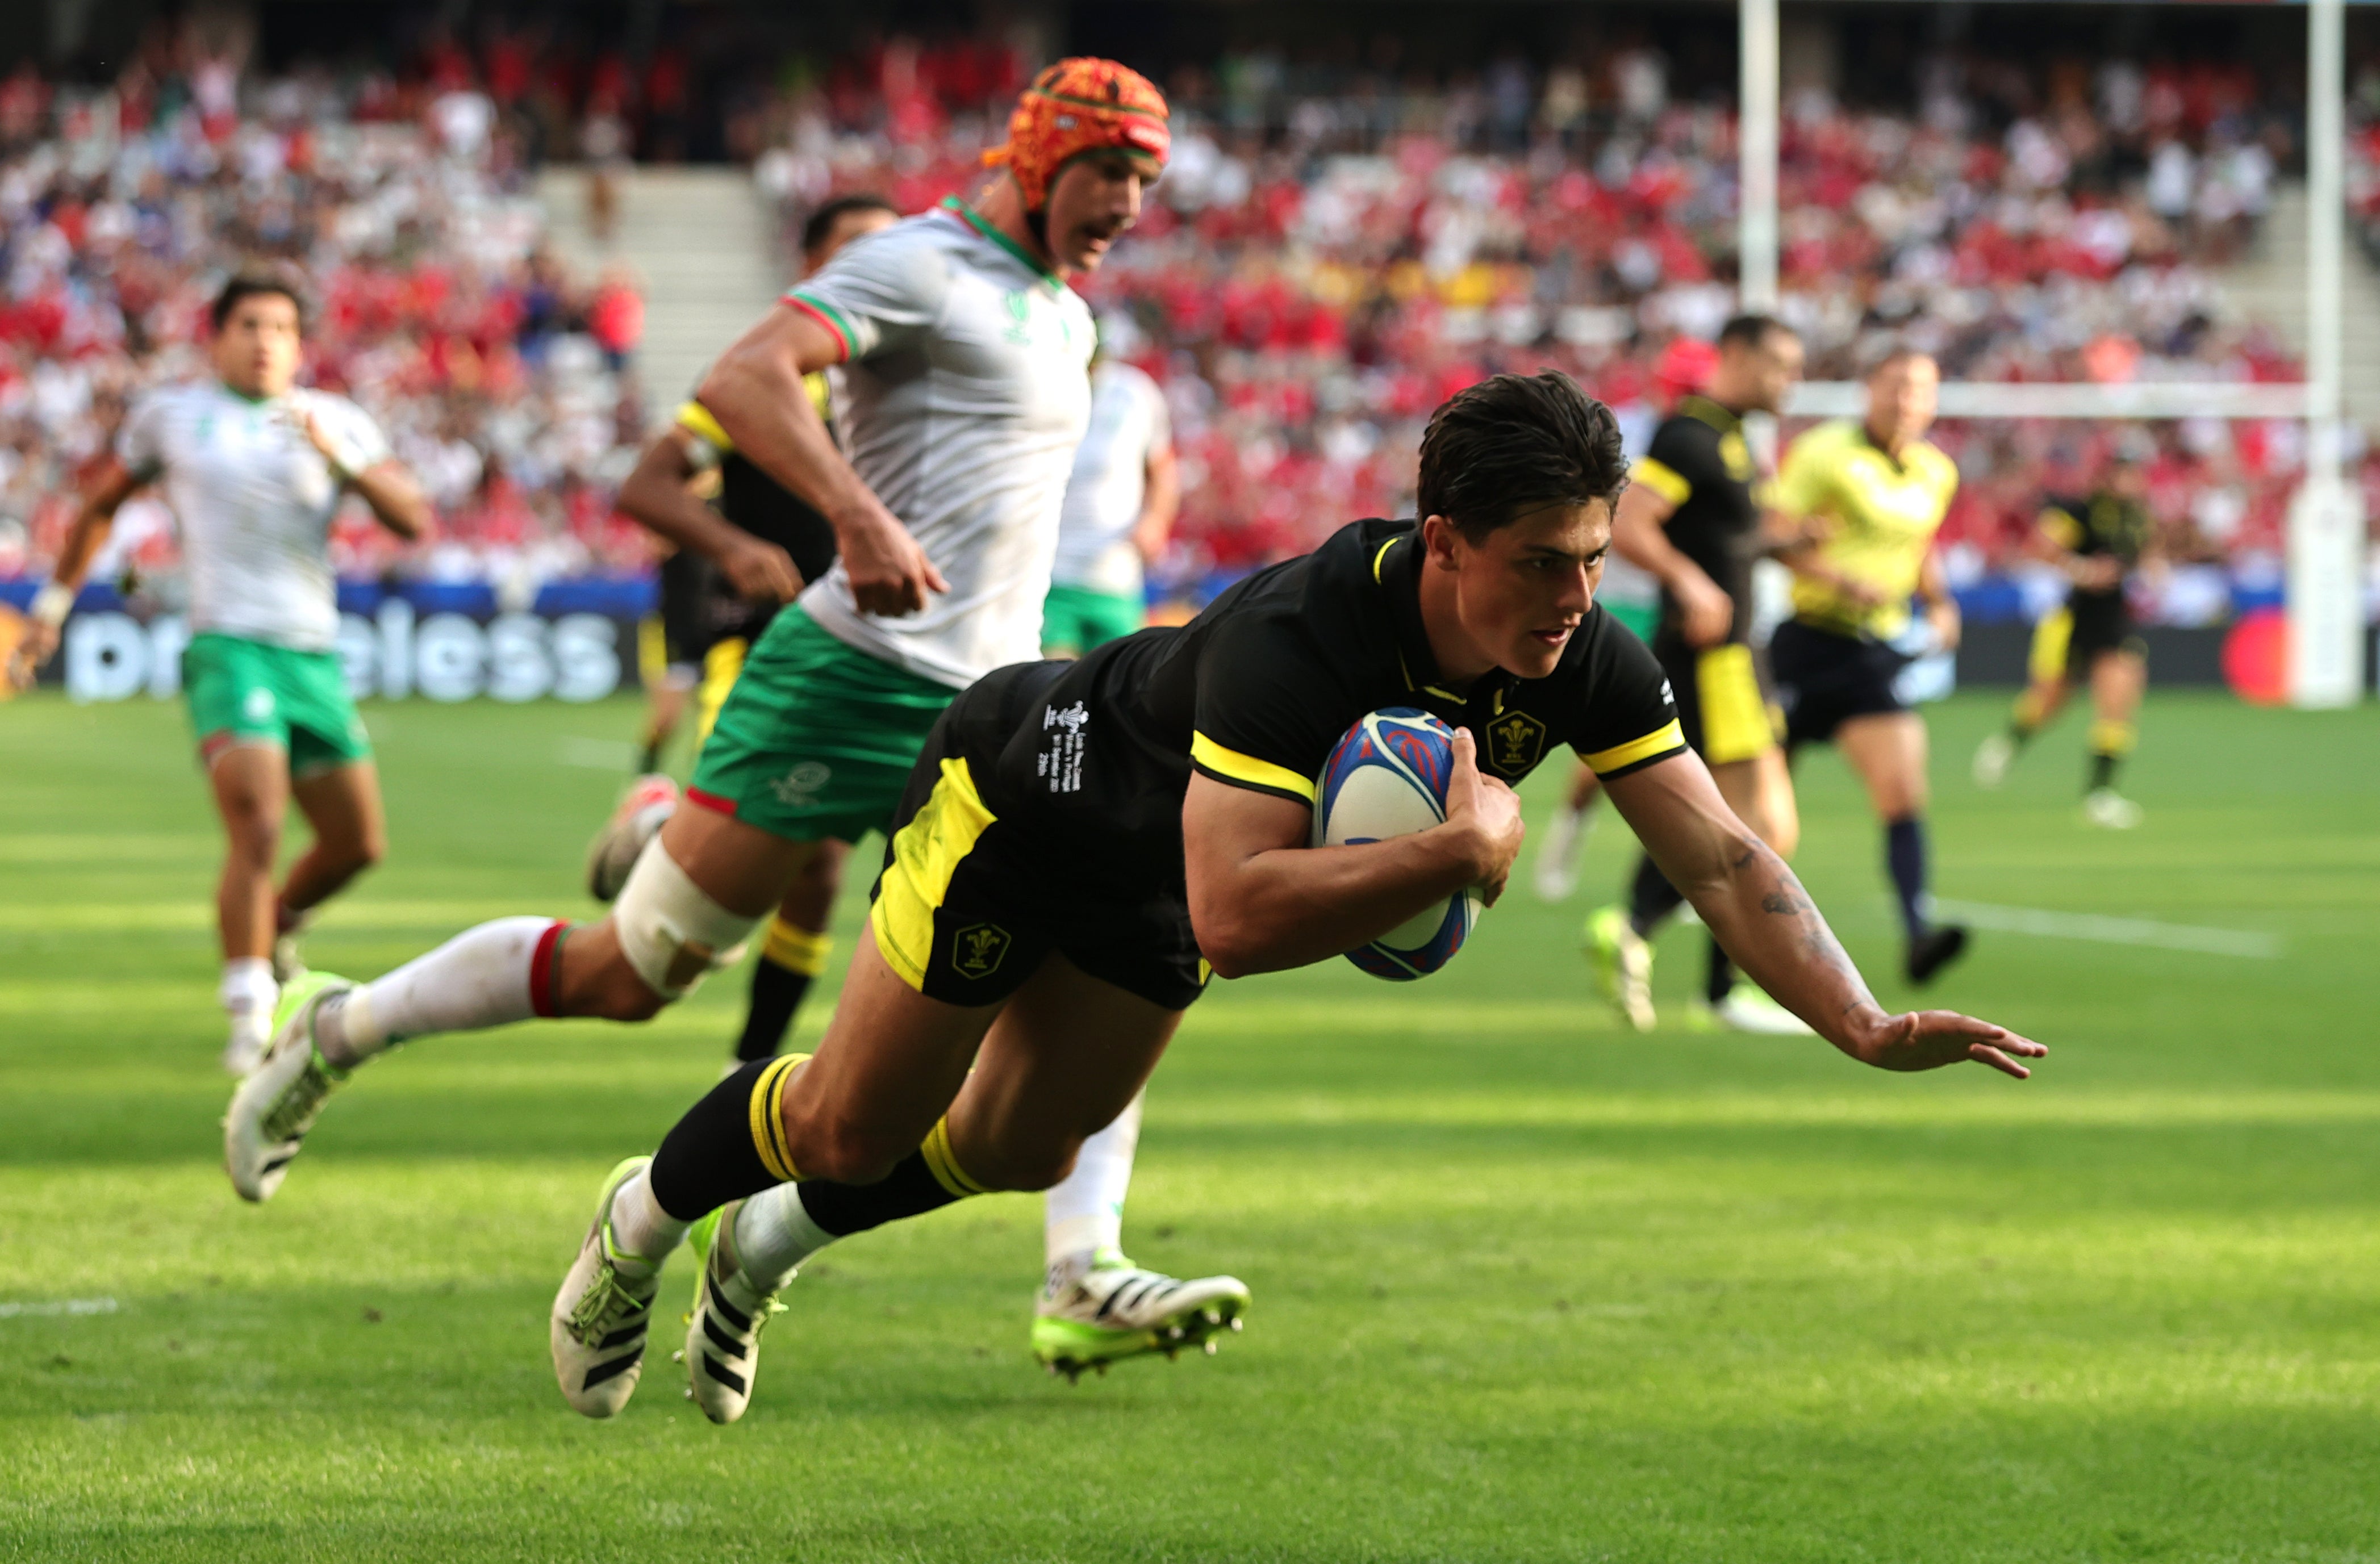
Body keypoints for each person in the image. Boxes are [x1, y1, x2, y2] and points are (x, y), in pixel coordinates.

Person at [543, 371, 2044, 1426]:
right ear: (1443, 541)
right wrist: (1454, 856)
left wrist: (1854, 1020)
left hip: (1177, 878)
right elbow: (1240, 920)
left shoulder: (1582, 647)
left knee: (1016, 1147)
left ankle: (759, 1255)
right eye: (1539, 563)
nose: (1574, 597)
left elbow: (1721, 855)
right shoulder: (1301, 631)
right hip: (1027, 799)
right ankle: (648, 1218)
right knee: (846, 1127)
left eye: (1590, 559)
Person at [222, 59, 1249, 1385]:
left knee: (1110, 943)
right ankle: (338, 1027)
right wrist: (856, 518)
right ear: (1039, 158)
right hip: (842, 673)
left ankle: (1077, 1264)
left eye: (1145, 182)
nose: (1127, 204)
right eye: (1110, 171)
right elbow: (747, 375)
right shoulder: (917, 262)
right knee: (630, 973)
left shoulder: (1064, 313)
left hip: (987, 706)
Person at [22, 275, 429, 1075]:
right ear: (216, 338)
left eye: (281, 326)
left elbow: (413, 518)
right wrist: (55, 601)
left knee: (358, 844)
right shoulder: (174, 416)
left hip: (311, 652)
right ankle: (248, 1013)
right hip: (226, 645)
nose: (265, 339)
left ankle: (273, 927)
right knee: (260, 825)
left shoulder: (335, 420)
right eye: (249, 324)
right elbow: (102, 503)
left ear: (301, 344)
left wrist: (339, 455)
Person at [593, 193, 900, 1068]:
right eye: (854, 251)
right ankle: (666, 824)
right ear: (810, 267)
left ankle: (749, 1066)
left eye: (892, 250)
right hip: (765, 643)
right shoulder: (768, 377)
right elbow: (644, 486)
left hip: (880, 655)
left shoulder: (917, 384)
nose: (878, 268)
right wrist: (731, 545)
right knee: (750, 881)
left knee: (821, 876)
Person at [1576, 314, 1811, 1035]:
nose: (1789, 382)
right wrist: (1690, 584)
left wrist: (1791, 543)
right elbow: (1633, 521)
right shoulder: (1689, 435)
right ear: (1734, 356)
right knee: (1758, 823)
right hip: (1718, 658)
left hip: (1740, 654)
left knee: (1753, 822)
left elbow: (1724, 537)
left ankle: (1666, 946)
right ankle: (1664, 944)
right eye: (1778, 365)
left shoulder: (1732, 440)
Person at [1768, 348, 1969, 985]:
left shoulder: (1936, 471)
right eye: (1896, 385)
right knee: (1755, 815)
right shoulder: (1822, 452)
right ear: (1868, 388)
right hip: (1808, 642)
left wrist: (1938, 603)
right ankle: (1643, 920)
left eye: (1920, 389)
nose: (1906, 399)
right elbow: (1773, 534)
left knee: (1903, 791)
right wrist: (1834, 575)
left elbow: (1918, 546)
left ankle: (1915, 935)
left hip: (1870, 654)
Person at [1971, 434, 2159, 828]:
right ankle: (2009, 742)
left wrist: (2157, 572)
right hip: (2074, 618)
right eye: (2123, 469)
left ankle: (2099, 794)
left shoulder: (2139, 515)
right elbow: (2039, 547)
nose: (2129, 478)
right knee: (2051, 701)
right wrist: (2083, 570)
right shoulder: (2080, 509)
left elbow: (2146, 555)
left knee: (2118, 701)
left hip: (2114, 620)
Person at [1041, 348, 1178, 657]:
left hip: (1115, 576)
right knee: (1058, 688)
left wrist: (1155, 521)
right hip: (1053, 574)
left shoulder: (1134, 393)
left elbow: (1163, 470)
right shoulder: (1043, 387)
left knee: (1120, 689)